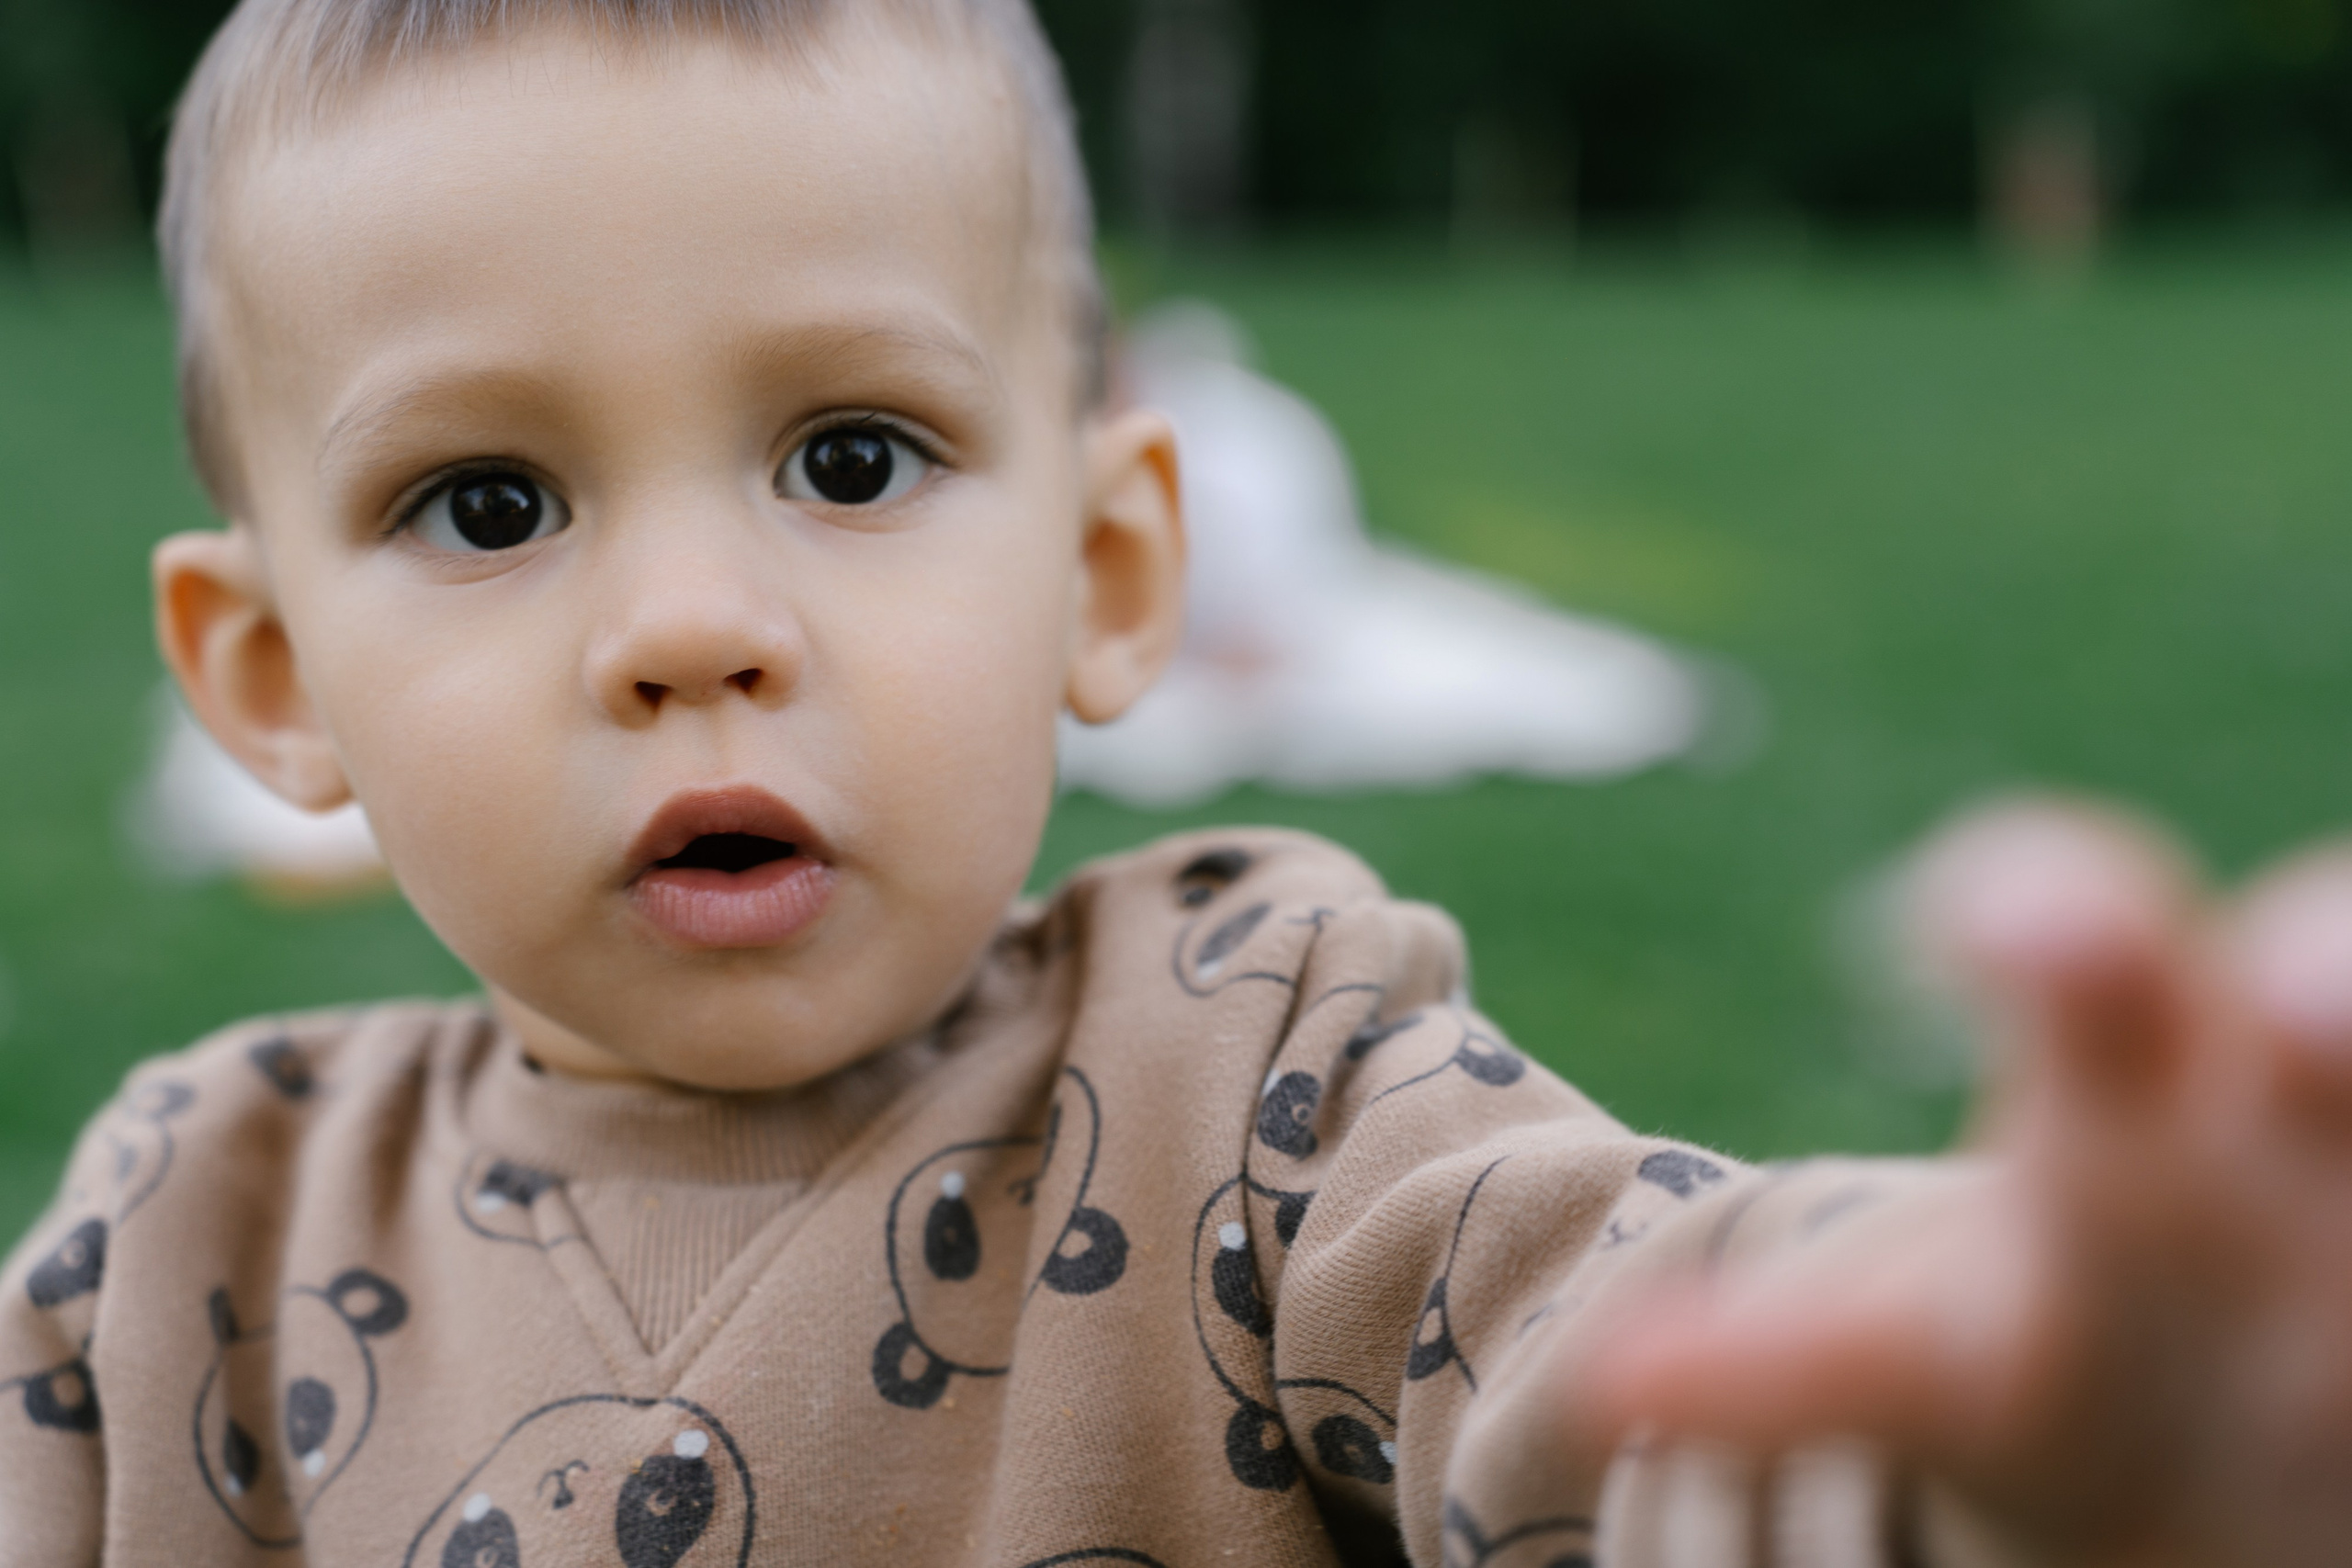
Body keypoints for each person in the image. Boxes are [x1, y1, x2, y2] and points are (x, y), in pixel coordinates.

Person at [3, 2, 2349, 1563]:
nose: (689, 625)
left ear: (1110, 568)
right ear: (274, 666)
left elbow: (1610, 1357)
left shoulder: (1253, 1080)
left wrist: (2010, 1382)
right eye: (490, 504)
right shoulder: (176, 1252)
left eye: (851, 452)